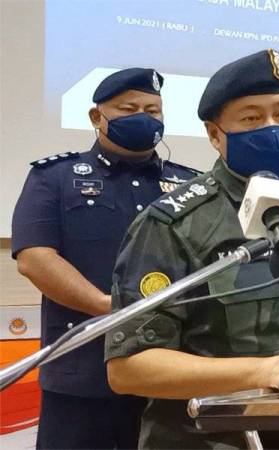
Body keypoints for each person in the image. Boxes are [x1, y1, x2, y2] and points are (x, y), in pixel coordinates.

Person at [104, 50, 279, 449]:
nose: (272, 128)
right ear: (215, 134)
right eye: (252, 118)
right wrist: (256, 372)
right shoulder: (173, 222)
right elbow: (129, 367)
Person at [12, 68, 200, 449]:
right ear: (97, 117)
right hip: (81, 374)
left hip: (169, 372)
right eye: (129, 108)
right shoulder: (55, 177)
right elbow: (34, 257)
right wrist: (105, 306)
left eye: (153, 110)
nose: (143, 118)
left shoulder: (191, 186)